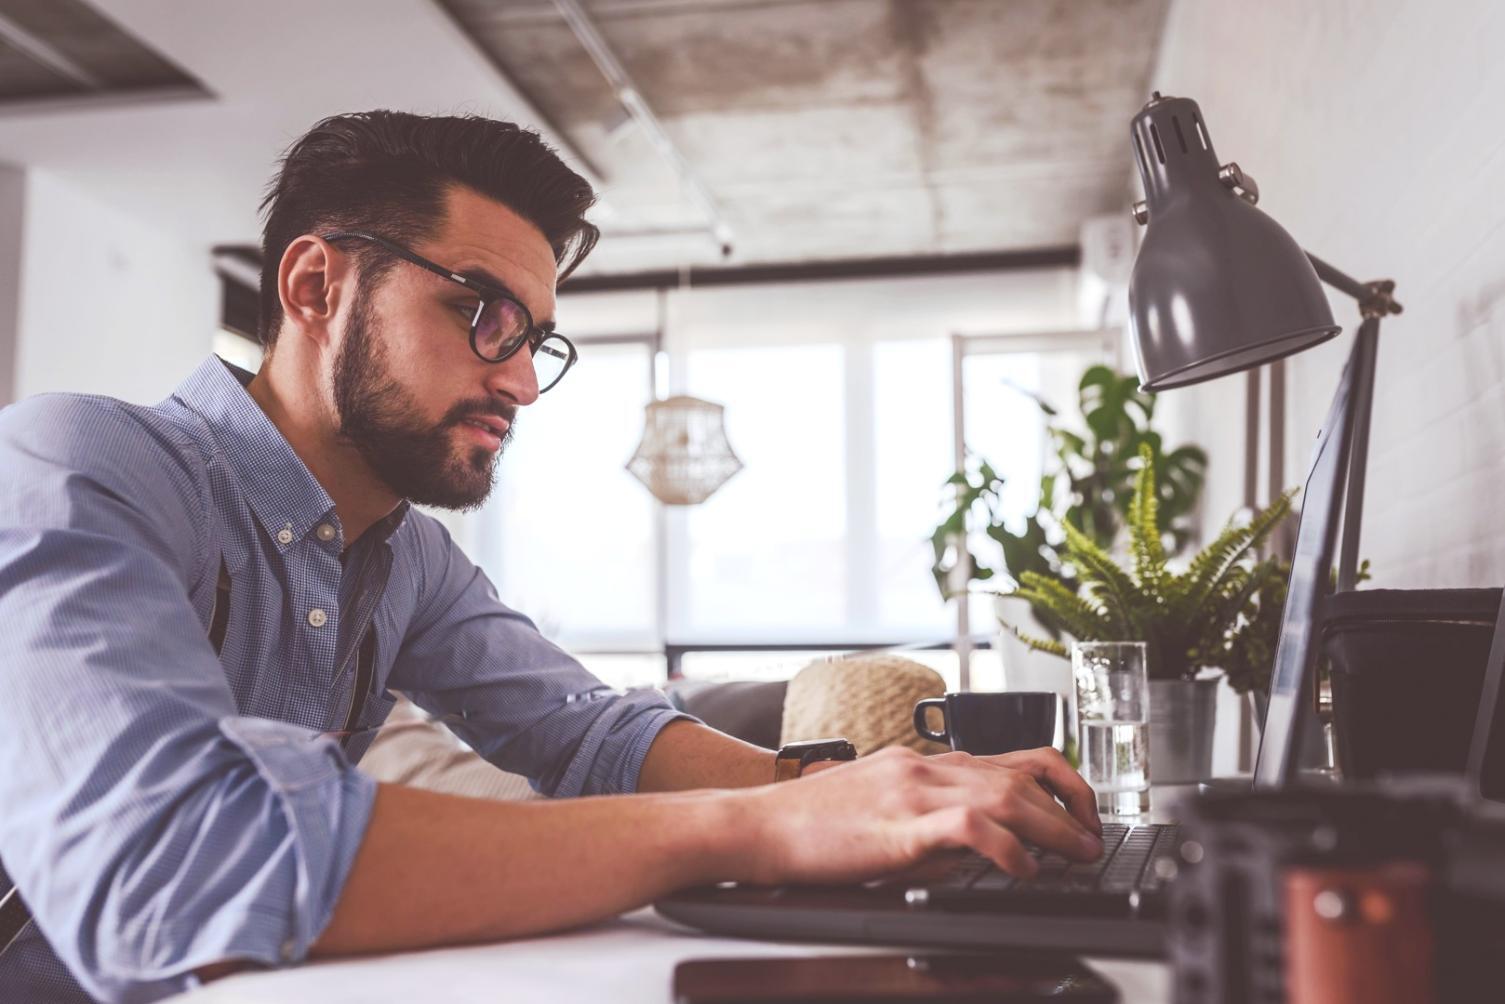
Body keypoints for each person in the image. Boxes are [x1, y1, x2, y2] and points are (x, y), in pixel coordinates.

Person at [0, 111, 1103, 1003]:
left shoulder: (405, 554)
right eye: (481, 312)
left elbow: (586, 729)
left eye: (533, 338)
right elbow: (175, 864)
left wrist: (868, 798)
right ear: (313, 287)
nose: (521, 381)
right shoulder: (78, 462)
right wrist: (757, 821)